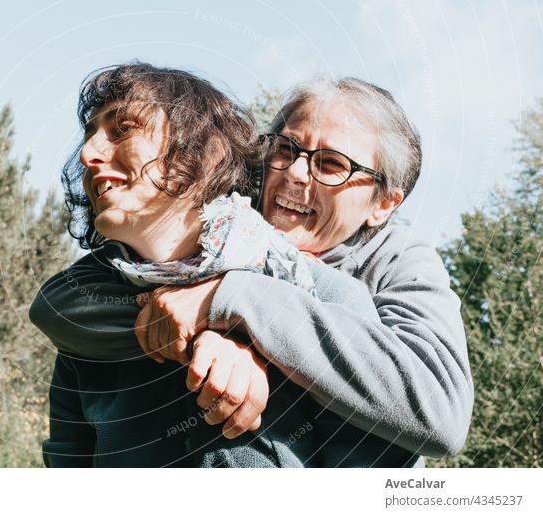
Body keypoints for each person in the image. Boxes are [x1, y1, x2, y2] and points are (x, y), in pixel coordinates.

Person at [32, 73, 474, 467]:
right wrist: (213, 335)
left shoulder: (394, 264)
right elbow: (59, 305)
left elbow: (436, 413)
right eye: (285, 149)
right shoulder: (206, 230)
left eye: (332, 164)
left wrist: (229, 302)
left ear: (383, 204)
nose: (296, 173)